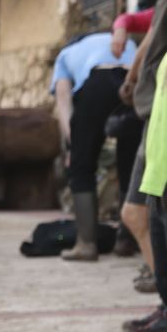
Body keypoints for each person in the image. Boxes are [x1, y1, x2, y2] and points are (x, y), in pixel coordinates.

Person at [48, 26, 139, 262]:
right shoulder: (126, 41)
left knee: (82, 166)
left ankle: (86, 244)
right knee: (132, 166)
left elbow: (64, 101)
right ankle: (126, 240)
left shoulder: (65, 55)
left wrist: (73, 145)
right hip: (135, 84)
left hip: (98, 80)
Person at [118, 0, 167, 300]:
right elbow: (149, 32)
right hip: (153, 115)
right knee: (140, 215)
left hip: (162, 121)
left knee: (140, 214)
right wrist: (133, 77)